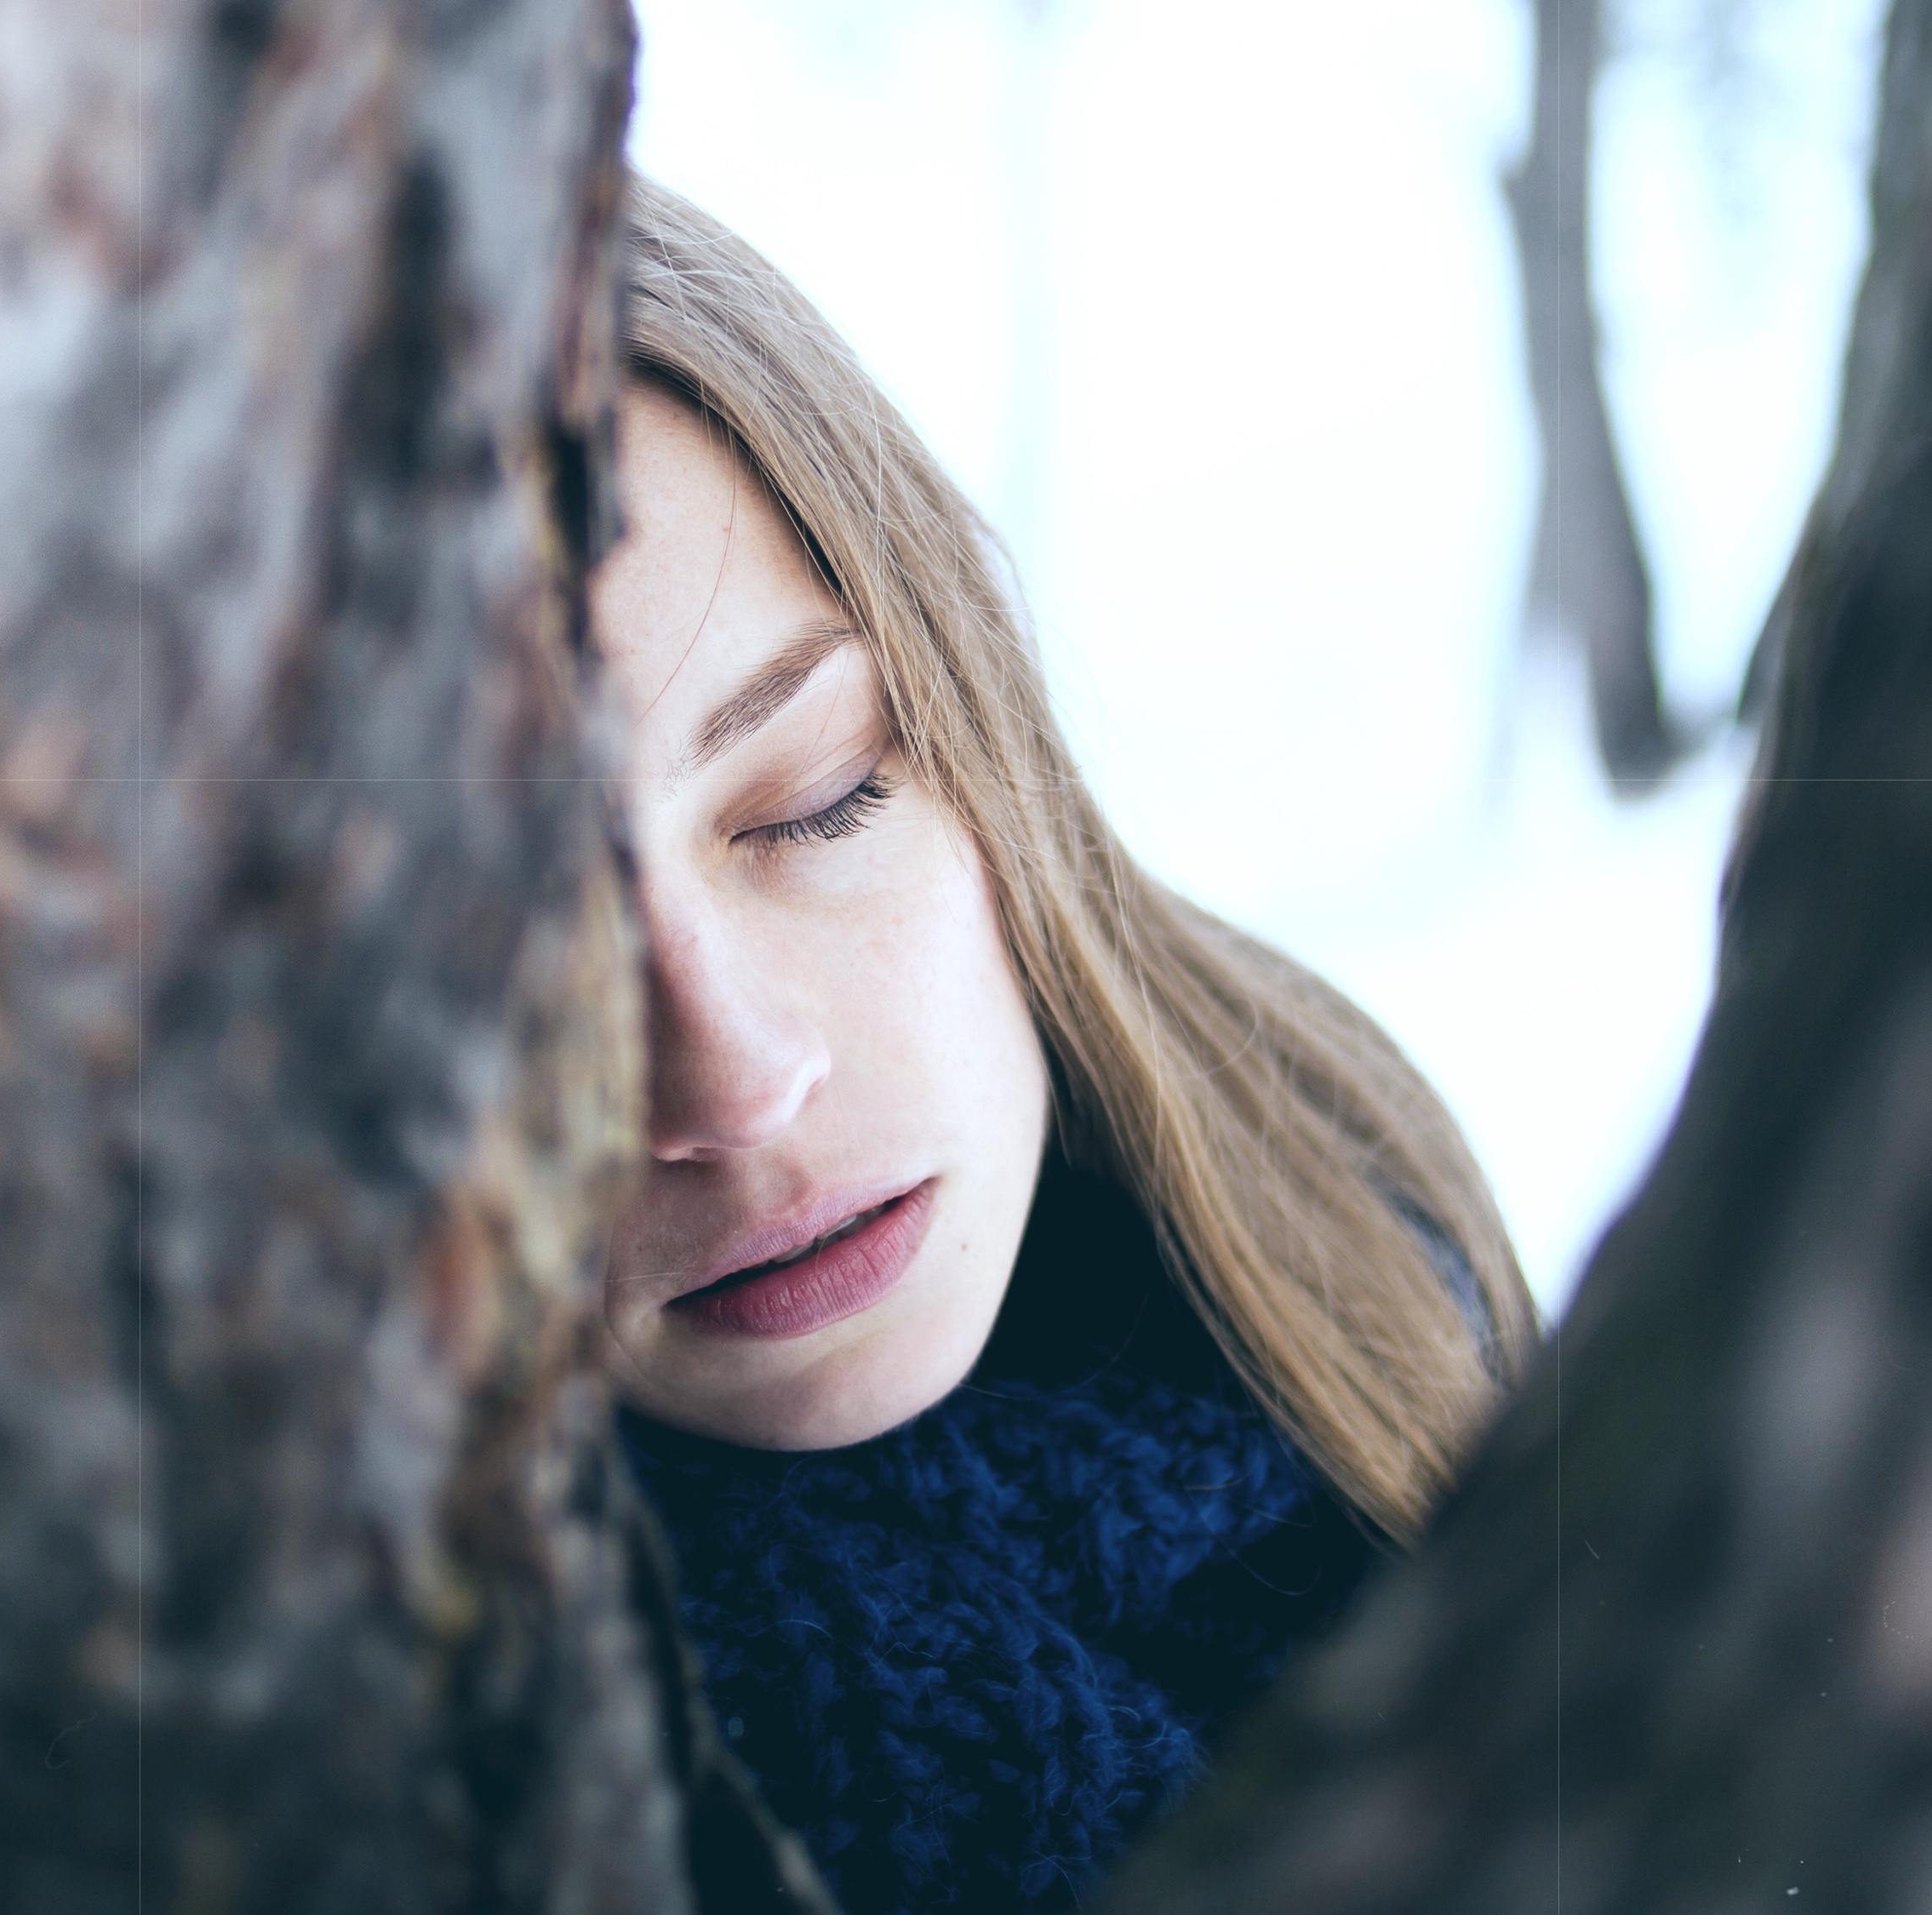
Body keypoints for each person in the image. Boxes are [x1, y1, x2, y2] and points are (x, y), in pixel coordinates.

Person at [591, 180, 1540, 1914]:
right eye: (496, 976)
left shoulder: (1334, 1222)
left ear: (975, 728)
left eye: (819, 800)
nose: (731, 1084)